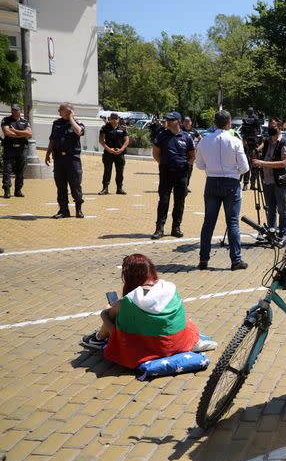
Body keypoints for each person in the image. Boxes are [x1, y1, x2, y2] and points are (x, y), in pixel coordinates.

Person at [79, 253, 216, 362]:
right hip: (178, 343)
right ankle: (99, 337)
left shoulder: (128, 301)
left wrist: (106, 311)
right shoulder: (170, 288)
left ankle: (98, 338)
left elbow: (108, 318)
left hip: (149, 348)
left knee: (111, 312)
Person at [195, 110, 250, 271]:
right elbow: (245, 167)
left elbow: (199, 165)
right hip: (231, 182)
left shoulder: (204, 141)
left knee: (208, 223)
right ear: (229, 123)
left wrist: (212, 168)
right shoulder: (235, 141)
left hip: (212, 181)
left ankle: (203, 259)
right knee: (232, 222)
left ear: (214, 122)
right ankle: (236, 260)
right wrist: (232, 170)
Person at [151, 111, 195, 239]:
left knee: (179, 201)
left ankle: (176, 227)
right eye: (168, 120)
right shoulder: (162, 136)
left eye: (172, 120)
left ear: (179, 122)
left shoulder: (186, 137)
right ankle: (159, 228)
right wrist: (164, 163)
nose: (168, 122)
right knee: (164, 200)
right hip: (166, 172)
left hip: (181, 174)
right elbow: (156, 153)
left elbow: (192, 155)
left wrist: (187, 165)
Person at [251, 117, 286, 242]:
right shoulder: (267, 142)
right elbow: (258, 152)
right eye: (269, 126)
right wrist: (254, 151)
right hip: (267, 180)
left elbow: (283, 163)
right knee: (270, 208)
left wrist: (262, 163)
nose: (271, 129)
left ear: (280, 128)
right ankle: (271, 231)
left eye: (273, 126)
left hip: (279, 181)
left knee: (281, 209)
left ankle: (283, 233)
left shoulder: (284, 142)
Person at [45, 102, 85, 219]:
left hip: (73, 160)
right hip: (59, 159)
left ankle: (78, 209)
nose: (58, 112)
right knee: (60, 186)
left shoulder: (78, 123)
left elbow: (79, 131)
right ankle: (63, 210)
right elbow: (52, 139)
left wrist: (71, 118)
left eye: (60, 110)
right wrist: (47, 154)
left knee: (75, 185)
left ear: (68, 111)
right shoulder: (56, 124)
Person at [1, 103, 32, 198]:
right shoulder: (6, 120)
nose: (14, 111)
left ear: (20, 111)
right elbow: (7, 132)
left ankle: (18, 190)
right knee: (7, 170)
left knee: (21, 170)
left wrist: (15, 131)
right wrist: (22, 134)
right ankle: (7, 190)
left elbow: (30, 134)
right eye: (13, 110)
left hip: (22, 149)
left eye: (16, 110)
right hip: (9, 148)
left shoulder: (25, 121)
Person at [98, 112, 129, 195]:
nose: (114, 120)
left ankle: (119, 188)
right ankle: (105, 188)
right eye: (112, 118)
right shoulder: (105, 128)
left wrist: (121, 149)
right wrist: (108, 149)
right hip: (108, 153)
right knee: (107, 171)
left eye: (116, 118)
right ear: (109, 119)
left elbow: (126, 140)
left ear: (118, 119)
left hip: (120, 153)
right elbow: (101, 140)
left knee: (120, 171)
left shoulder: (122, 128)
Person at [181, 116, 201, 190]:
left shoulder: (193, 131)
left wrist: (196, 146)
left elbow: (200, 139)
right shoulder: (180, 130)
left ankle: (186, 185)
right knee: (180, 169)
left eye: (188, 122)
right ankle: (180, 185)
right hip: (181, 153)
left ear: (191, 122)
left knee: (189, 170)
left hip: (191, 154)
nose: (186, 123)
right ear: (183, 123)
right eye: (185, 122)